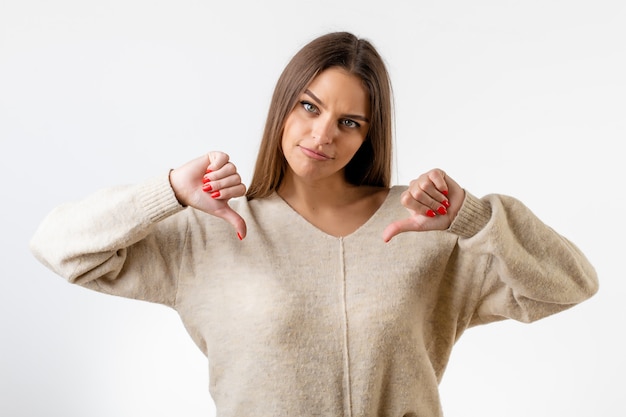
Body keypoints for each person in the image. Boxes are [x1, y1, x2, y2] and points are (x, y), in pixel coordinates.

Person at [30, 31, 598, 416]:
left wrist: (471, 218)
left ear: (367, 135)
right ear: (283, 104)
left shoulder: (425, 228)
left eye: (349, 122)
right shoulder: (211, 231)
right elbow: (58, 248)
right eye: (309, 106)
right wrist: (169, 190)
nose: (323, 135)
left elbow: (569, 285)